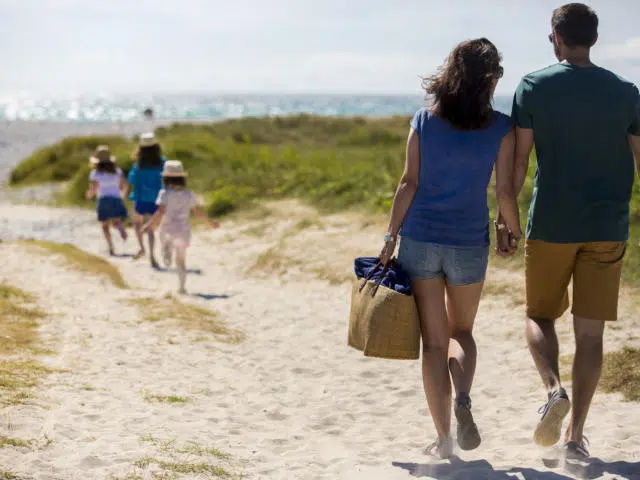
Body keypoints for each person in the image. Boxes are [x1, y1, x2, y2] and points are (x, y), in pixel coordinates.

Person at [378, 38, 521, 459]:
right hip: (467, 244)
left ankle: (443, 440)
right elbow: (506, 193)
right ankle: (463, 398)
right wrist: (511, 232)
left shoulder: (424, 120)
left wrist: (390, 238)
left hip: (420, 240)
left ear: (450, 73)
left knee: (434, 344)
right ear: (491, 78)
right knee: (463, 333)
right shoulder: (501, 127)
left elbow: (408, 184)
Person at [511, 3, 640, 459]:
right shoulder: (626, 92)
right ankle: (576, 437)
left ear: (555, 37)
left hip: (551, 223)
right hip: (607, 226)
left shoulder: (533, 86)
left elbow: (520, 160)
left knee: (538, 316)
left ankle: (553, 390)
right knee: (590, 335)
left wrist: (506, 214)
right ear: (595, 38)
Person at [142, 160, 220, 294]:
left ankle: (166, 245)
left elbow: (160, 212)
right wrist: (210, 223)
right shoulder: (189, 194)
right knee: (181, 260)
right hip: (183, 230)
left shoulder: (164, 194)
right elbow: (198, 213)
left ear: (166, 178)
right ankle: (182, 287)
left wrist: (149, 225)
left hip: (167, 228)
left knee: (164, 237)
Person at [125, 132, 166, 267]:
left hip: (141, 198)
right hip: (157, 199)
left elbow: (131, 180)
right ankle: (153, 256)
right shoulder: (162, 163)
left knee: (137, 223)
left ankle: (142, 248)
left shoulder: (138, 165)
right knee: (151, 228)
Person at [85, 146, 129, 256]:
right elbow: (125, 184)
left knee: (105, 225)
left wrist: (89, 195)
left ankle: (111, 246)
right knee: (116, 221)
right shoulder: (117, 171)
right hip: (116, 198)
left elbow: (94, 188)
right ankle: (120, 228)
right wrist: (122, 195)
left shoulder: (95, 173)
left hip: (103, 199)